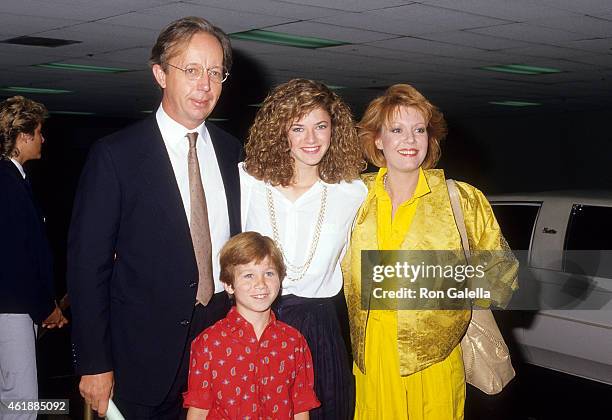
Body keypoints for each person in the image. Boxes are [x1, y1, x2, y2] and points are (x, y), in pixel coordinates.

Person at [67, 16, 242, 418]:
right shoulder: (116, 155)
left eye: (216, 73)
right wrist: (93, 362)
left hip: (219, 348)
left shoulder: (233, 153)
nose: (205, 85)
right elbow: (86, 267)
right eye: (192, 70)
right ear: (161, 74)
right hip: (141, 361)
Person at [342, 84, 518, 420]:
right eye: (397, 130)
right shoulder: (352, 197)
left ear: (429, 138)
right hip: (373, 358)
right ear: (378, 139)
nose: (409, 140)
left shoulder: (461, 200)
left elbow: (503, 282)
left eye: (418, 130)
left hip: (434, 358)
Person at [240, 78, 366, 419]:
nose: (311, 139)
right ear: (281, 131)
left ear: (334, 130)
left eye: (320, 126)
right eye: (298, 127)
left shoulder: (353, 193)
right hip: (257, 324)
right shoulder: (247, 183)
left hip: (320, 328)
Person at [184, 232, 320, 419]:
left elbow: (300, 408)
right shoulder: (208, 343)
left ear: (280, 280)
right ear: (228, 285)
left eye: (269, 273)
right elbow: (198, 411)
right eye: (248, 275)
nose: (261, 284)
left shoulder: (294, 342)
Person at [0, 96, 68, 419]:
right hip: (12, 311)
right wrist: (46, 308)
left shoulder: (13, 180)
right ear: (23, 135)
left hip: (13, 308)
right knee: (21, 402)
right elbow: (17, 259)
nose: (42, 139)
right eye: (39, 132)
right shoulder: (8, 185)